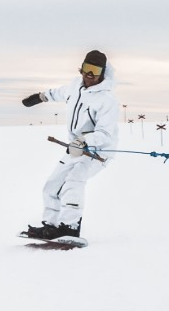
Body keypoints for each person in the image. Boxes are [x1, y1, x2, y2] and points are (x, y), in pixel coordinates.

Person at [20, 50, 119, 241]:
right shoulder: (75, 86)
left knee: (73, 182)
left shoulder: (107, 100)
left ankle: (70, 228)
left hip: (97, 151)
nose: (89, 75)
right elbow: (58, 93)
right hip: (75, 148)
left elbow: (105, 134)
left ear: (103, 73)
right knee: (52, 185)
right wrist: (41, 97)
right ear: (81, 68)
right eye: (87, 69)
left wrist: (84, 141)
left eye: (95, 71)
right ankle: (51, 226)